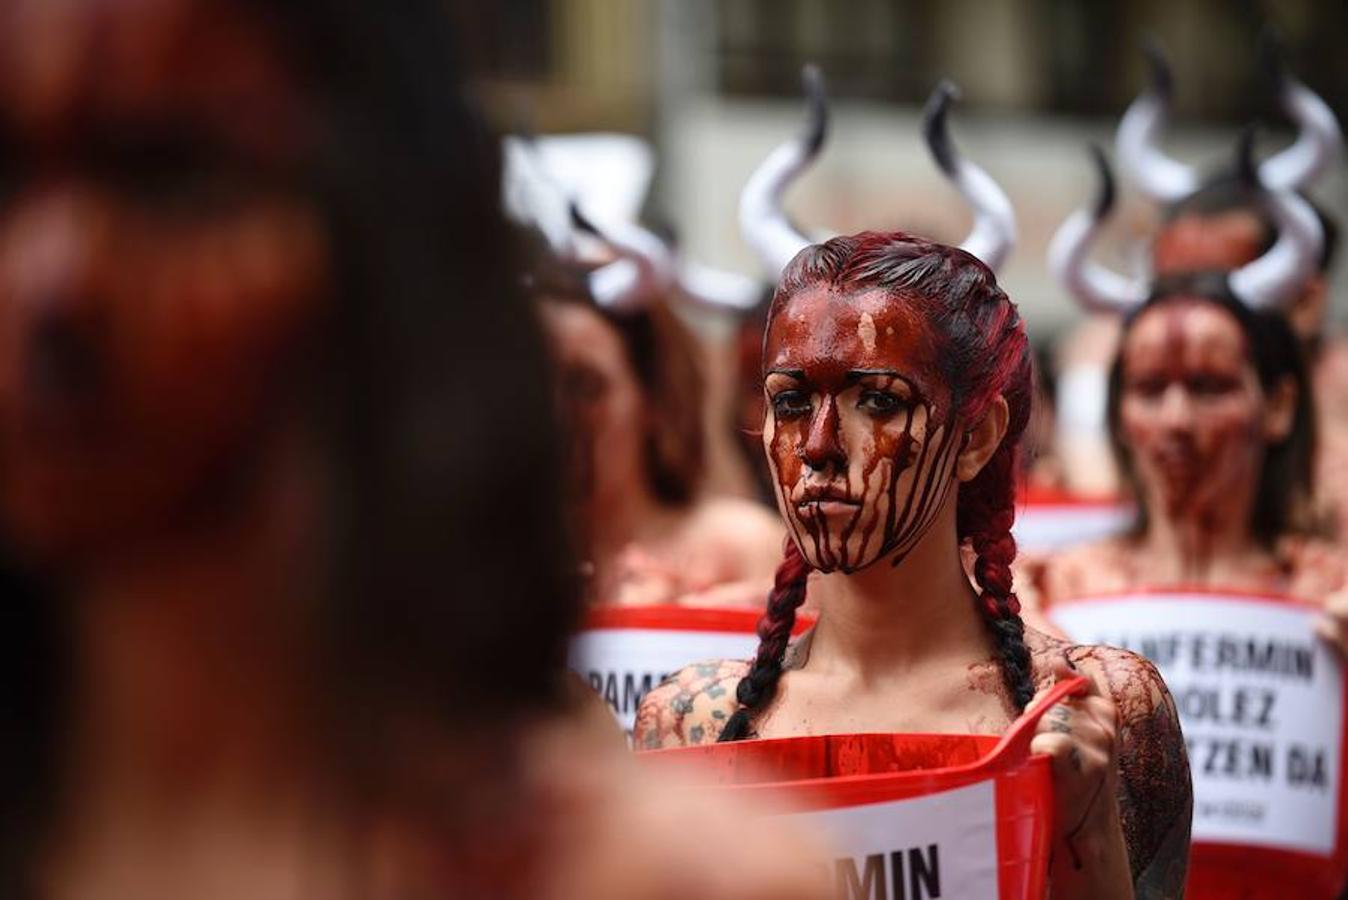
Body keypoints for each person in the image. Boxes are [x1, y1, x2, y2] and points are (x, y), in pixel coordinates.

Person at [0, 3, 825, 899]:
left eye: (167, 173)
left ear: (380, 241)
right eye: (6, 183)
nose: (52, 279)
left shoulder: (654, 879)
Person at [637, 84, 1192, 899]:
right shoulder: (687, 726)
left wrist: (1087, 839)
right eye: (792, 402)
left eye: (879, 401)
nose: (820, 448)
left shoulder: (1098, 714)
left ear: (976, 436)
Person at [1023, 144, 1346, 615]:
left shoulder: (1331, 588)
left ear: (1278, 405)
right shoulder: (1048, 588)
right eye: (1149, 390)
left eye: (1209, 387)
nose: (1176, 420)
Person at [515, 175, 784, 609]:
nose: (554, 413)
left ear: (655, 399)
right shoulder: (490, 562)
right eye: (533, 381)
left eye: (584, 386)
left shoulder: (743, 547)